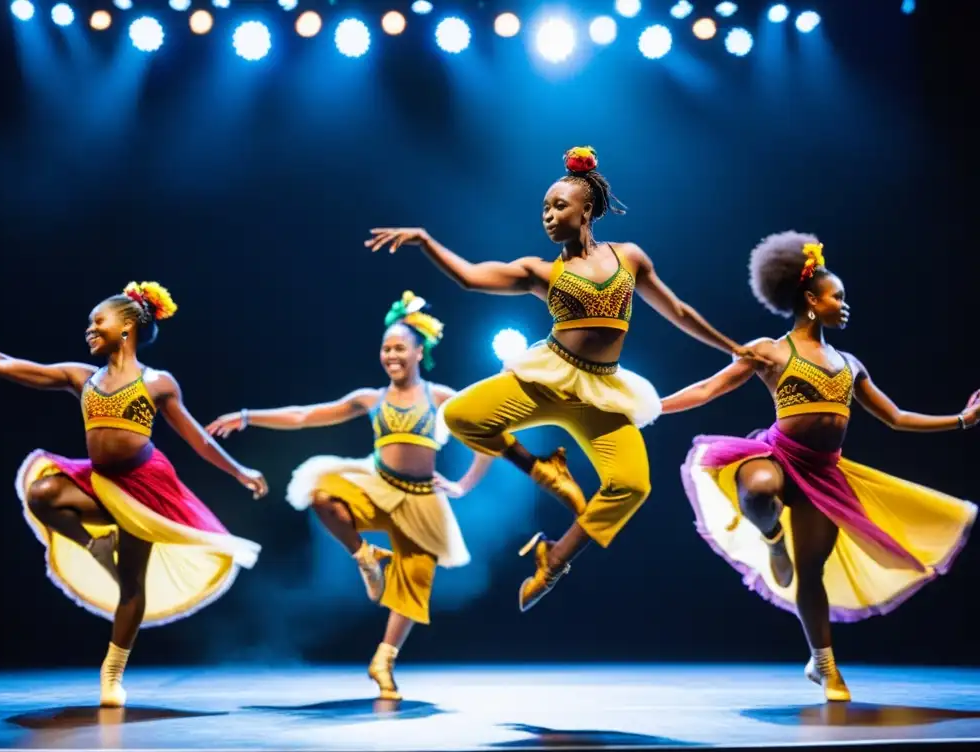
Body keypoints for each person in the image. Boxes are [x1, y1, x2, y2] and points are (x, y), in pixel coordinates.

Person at [366, 146, 764, 613]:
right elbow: (472, 278)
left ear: (587, 210)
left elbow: (677, 311)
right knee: (459, 416)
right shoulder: (542, 271)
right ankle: (542, 468)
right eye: (544, 209)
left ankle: (554, 559)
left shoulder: (629, 259)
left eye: (559, 206)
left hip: (601, 394)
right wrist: (426, 241)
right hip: (546, 379)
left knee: (632, 486)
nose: (549, 216)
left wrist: (731, 346)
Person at [662, 232, 977, 701]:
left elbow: (895, 417)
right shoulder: (771, 350)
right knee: (760, 489)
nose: (845, 305)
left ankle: (823, 665)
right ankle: (772, 539)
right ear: (810, 300)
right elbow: (708, 389)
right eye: (838, 297)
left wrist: (961, 420)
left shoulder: (850, 364)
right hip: (775, 456)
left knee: (812, 574)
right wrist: (650, 406)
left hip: (824, 475)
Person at [0, 281, 267, 707]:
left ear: (126, 328)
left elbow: (198, 439)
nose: (88, 329)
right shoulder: (80, 378)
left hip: (143, 488)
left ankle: (112, 673)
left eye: (97, 321)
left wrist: (239, 471)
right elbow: (7, 363)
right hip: (99, 483)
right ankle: (95, 544)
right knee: (42, 494)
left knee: (132, 583)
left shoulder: (157, 383)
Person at [206, 291, 492, 701]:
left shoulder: (441, 397)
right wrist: (249, 416)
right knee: (322, 495)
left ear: (419, 352)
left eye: (400, 348)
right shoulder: (370, 399)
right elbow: (306, 415)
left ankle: (384, 661)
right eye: (386, 348)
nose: (391, 355)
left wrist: (464, 484)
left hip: (421, 499)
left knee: (415, 581)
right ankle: (366, 556)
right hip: (377, 484)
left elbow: (488, 437)